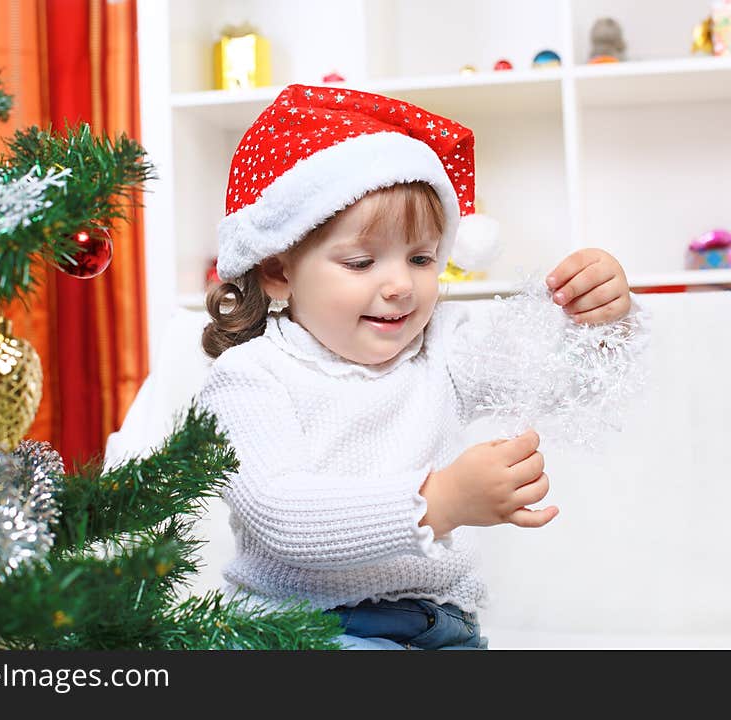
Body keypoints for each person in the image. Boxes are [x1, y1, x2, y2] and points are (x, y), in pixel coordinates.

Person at [196, 84, 647, 650]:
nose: (401, 285)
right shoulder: (248, 378)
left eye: (421, 258)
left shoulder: (442, 346)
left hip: (442, 627)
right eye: (362, 261)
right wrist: (440, 501)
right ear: (277, 270)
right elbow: (281, 515)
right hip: (300, 630)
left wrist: (602, 316)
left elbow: (558, 381)